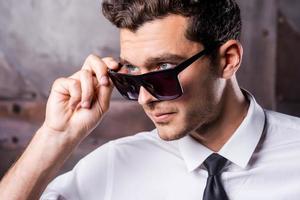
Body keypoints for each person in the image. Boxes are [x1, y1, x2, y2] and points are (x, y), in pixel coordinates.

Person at [1, 0, 300, 199]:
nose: (144, 98)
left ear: (228, 60)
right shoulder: (114, 165)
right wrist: (55, 137)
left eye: (163, 70)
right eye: (131, 75)